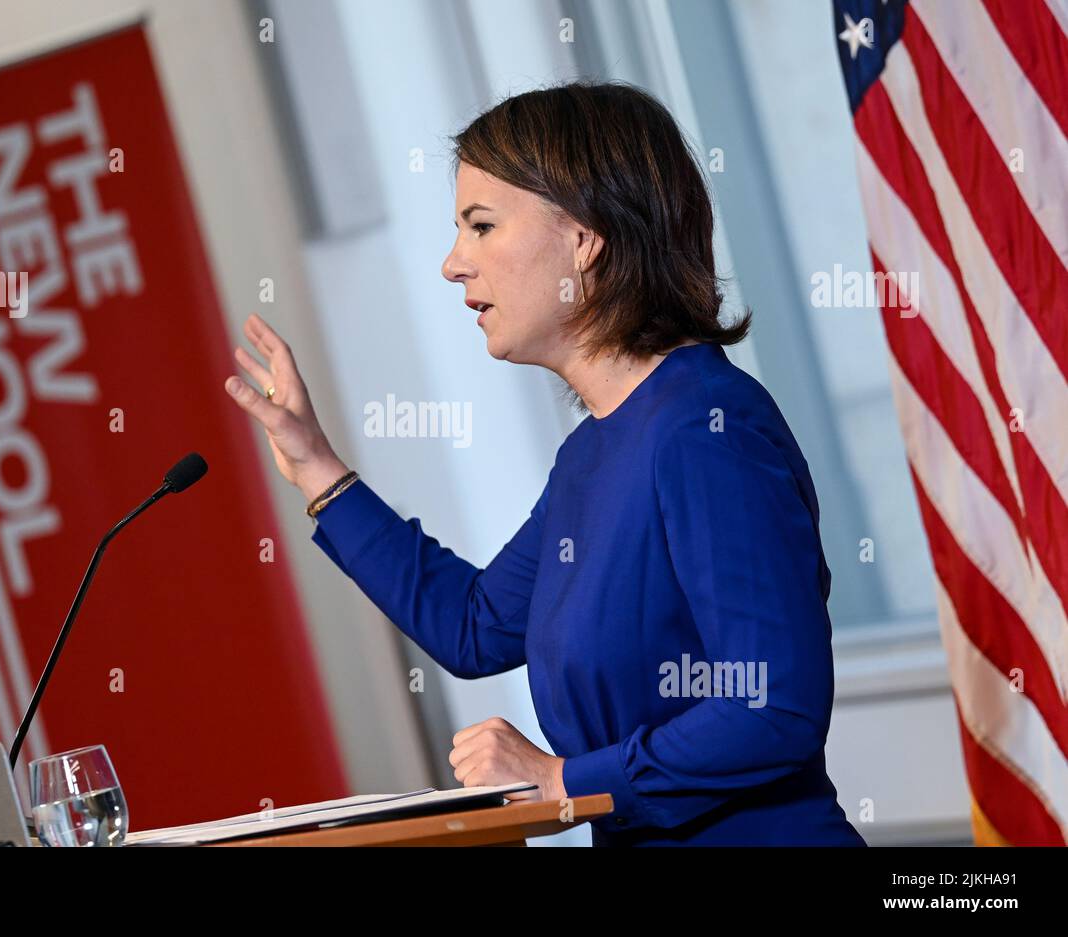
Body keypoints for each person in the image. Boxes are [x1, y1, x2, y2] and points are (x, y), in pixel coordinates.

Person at [223, 81, 866, 846]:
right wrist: (316, 467)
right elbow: (475, 627)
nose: (453, 264)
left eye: (481, 226)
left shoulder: (703, 428)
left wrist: (566, 779)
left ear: (585, 237)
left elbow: (773, 704)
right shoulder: (593, 452)